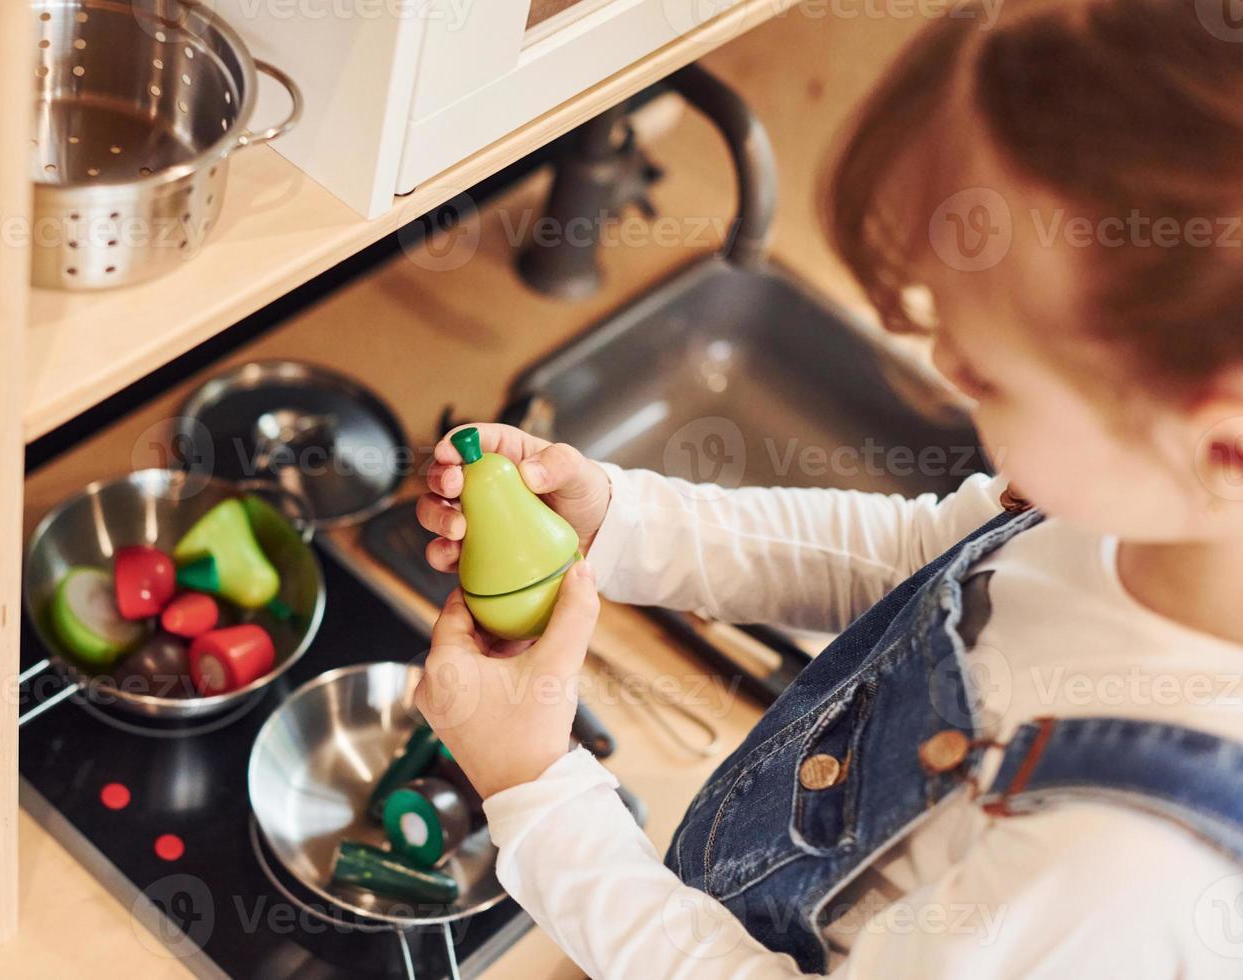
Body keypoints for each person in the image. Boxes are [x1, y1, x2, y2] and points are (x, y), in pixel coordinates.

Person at [412, 0, 1243, 975]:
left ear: (1224, 447)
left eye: (984, 372)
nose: (940, 361)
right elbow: (915, 564)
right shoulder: (1131, 514)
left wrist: (539, 797)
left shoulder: (1115, 874)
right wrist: (620, 521)